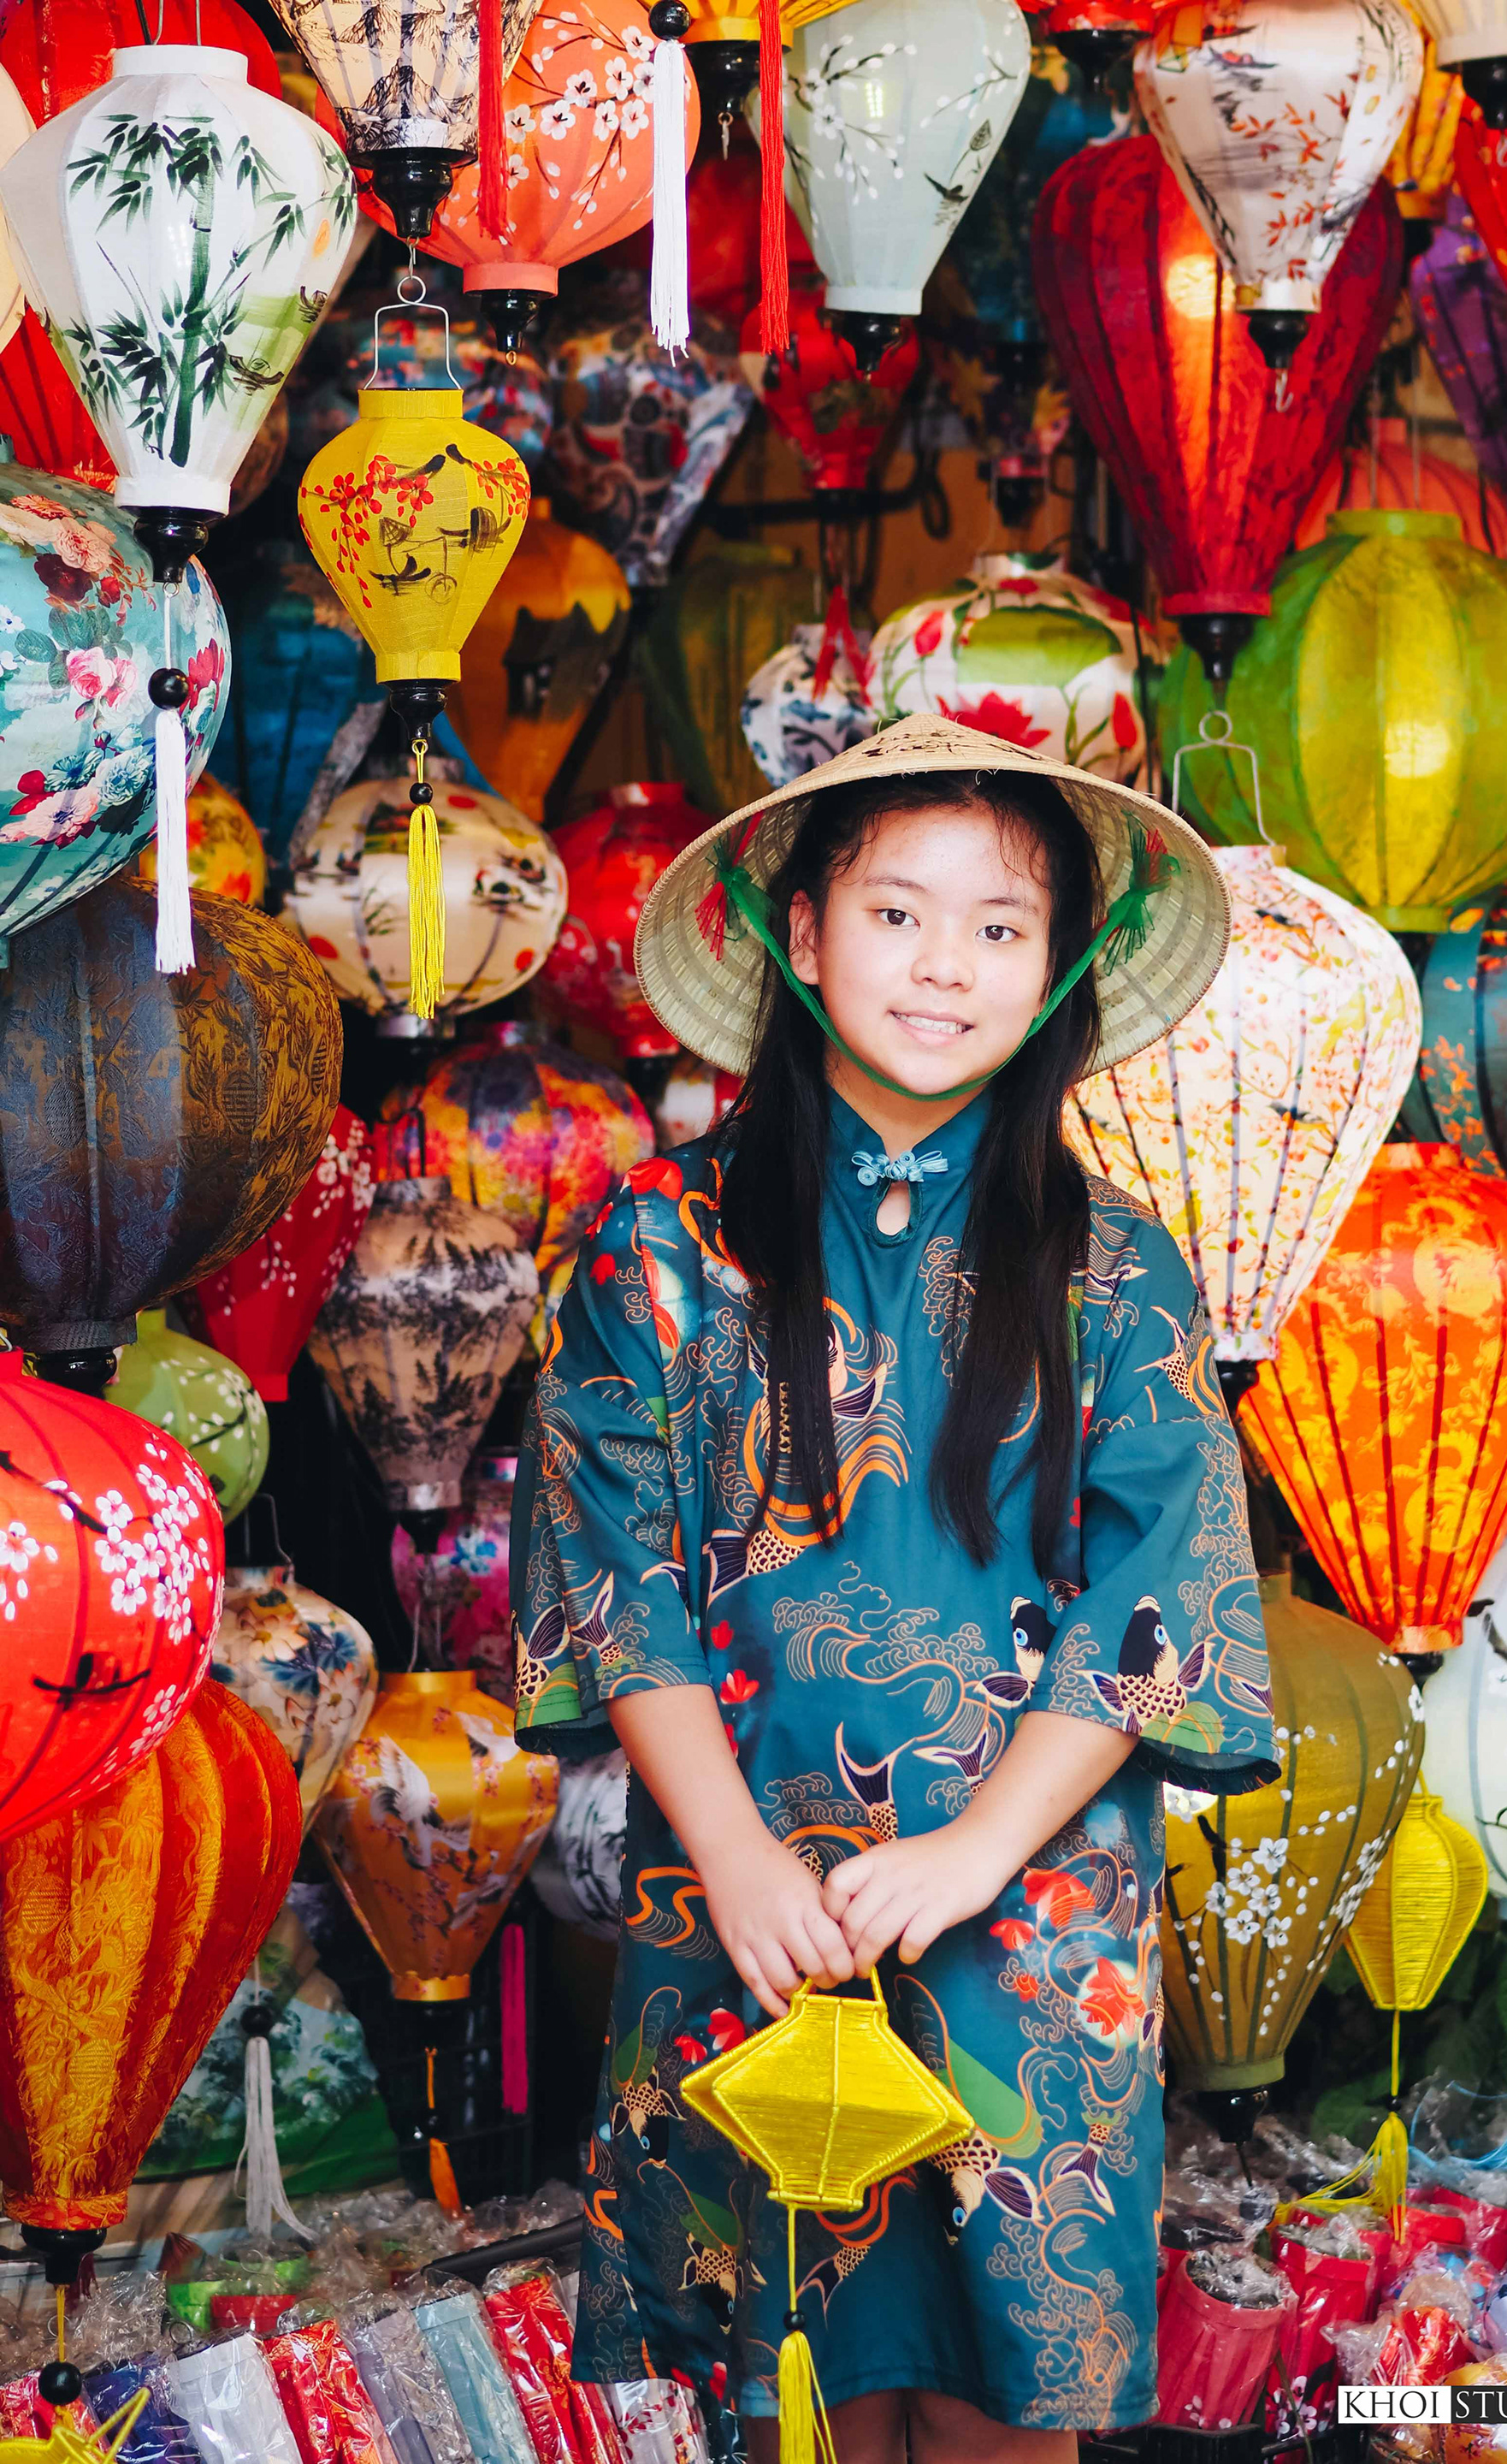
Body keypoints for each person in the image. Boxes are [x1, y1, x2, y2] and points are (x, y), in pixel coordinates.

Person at [511, 714, 1279, 2462]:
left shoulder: (1117, 1270)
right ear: (801, 934)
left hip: (1031, 1924)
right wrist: (733, 1858)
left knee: (1011, 2400)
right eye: (898, 914)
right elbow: (613, 1579)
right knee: (788, 2397)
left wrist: (975, 1851)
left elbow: (1158, 1599)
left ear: (1058, 965)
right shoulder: (657, 1245)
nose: (947, 966)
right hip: (740, 1913)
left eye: (1000, 925)